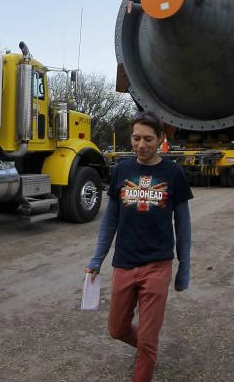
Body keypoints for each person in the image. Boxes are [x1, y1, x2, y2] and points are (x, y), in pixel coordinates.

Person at [85, 111, 193, 382]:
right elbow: (110, 220)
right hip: (124, 262)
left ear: (160, 139)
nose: (141, 145)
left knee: (147, 337)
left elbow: (183, 224)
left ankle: (147, 350)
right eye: (136, 138)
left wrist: (184, 268)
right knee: (117, 329)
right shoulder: (122, 169)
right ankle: (148, 349)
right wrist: (97, 259)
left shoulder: (173, 172)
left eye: (148, 139)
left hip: (157, 265)